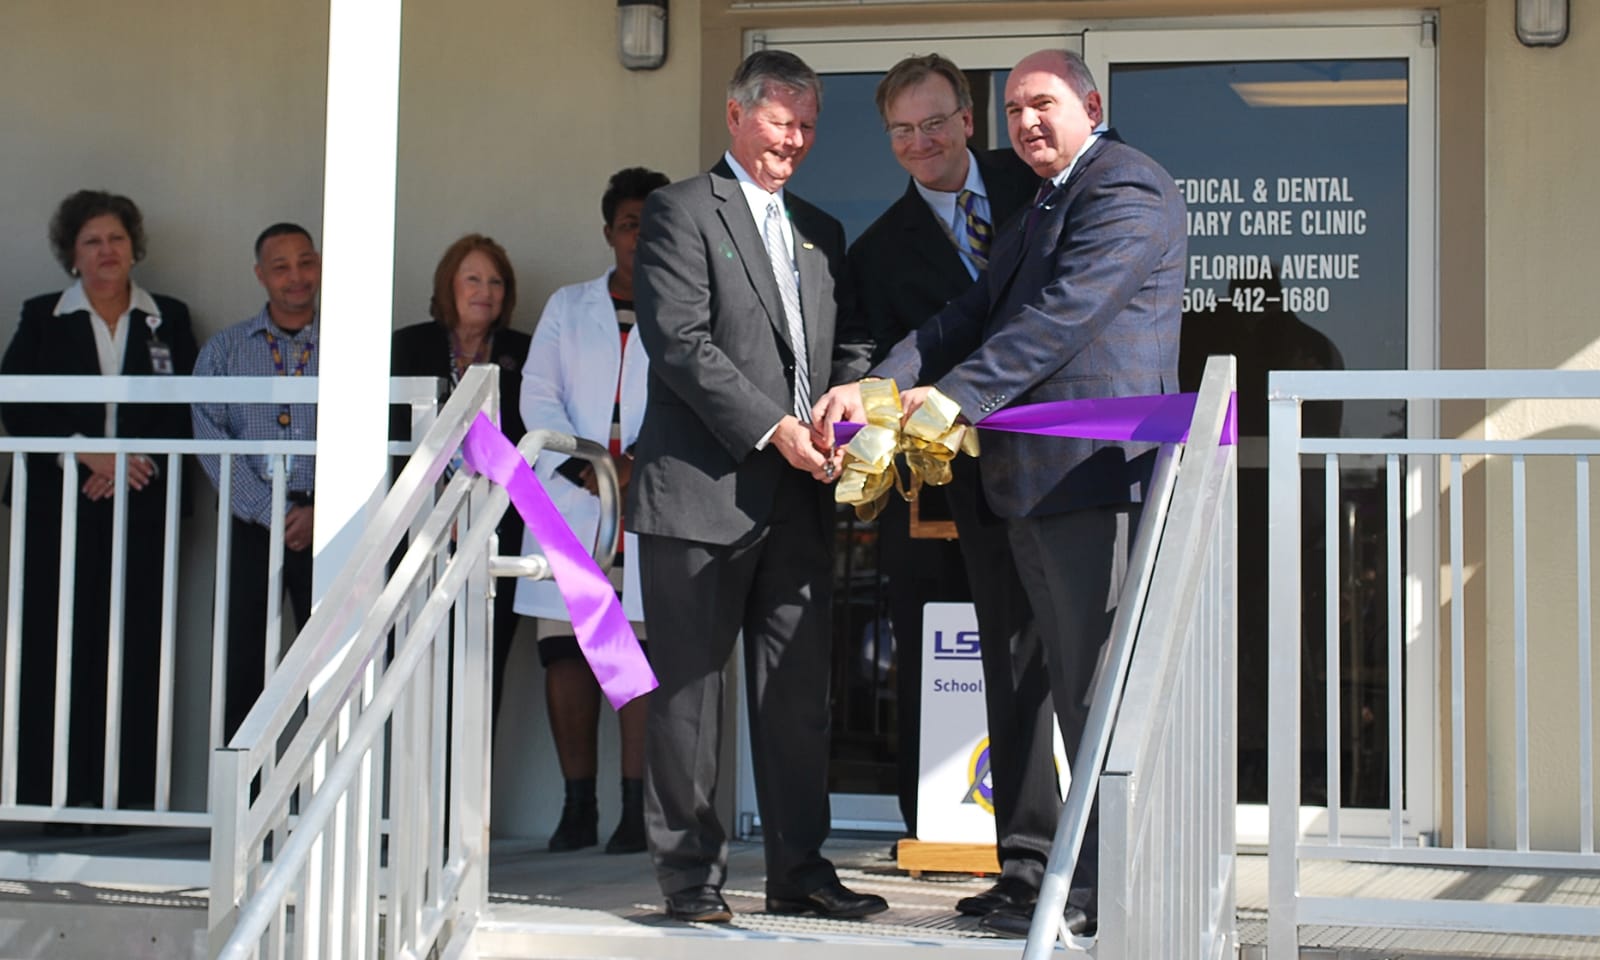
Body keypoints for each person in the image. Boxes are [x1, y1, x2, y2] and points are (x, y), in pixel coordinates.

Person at [814, 49, 1187, 938]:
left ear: (1090, 105)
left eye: (1044, 104)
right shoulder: (1050, 199)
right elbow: (968, 314)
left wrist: (949, 396)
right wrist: (876, 393)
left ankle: (1103, 888)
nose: (1028, 123)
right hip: (1022, 488)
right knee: (1031, 677)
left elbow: (1062, 316)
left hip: (1089, 477)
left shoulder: (1123, 186)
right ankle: (1045, 874)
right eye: (1018, 107)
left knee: (1091, 689)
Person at [628, 50, 881, 923]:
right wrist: (775, 428)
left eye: (808, 126)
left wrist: (843, 420)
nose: (796, 141)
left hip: (802, 496)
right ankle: (691, 882)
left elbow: (844, 349)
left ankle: (799, 872)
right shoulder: (678, 211)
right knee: (691, 699)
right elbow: (681, 344)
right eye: (781, 123)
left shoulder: (823, 229)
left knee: (797, 698)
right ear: (736, 118)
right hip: (701, 494)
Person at [846, 53, 1061, 928]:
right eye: (902, 130)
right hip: (961, 488)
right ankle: (1022, 862)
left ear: (969, 119)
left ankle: (1088, 852)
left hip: (1066, 469)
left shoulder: (1044, 187)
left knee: (1073, 667)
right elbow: (865, 359)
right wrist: (854, 420)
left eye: (935, 123)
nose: (921, 143)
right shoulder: (876, 250)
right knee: (1000, 669)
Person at [1, 189, 197, 813]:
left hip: (143, 506)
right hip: (60, 505)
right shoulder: (41, 316)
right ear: (72, 255)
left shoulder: (167, 315)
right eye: (92, 241)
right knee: (57, 646)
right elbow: (15, 402)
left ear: (133, 247)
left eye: (115, 239)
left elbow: (189, 407)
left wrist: (128, 463)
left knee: (135, 646)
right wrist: (85, 452)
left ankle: (128, 801)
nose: (106, 251)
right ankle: (53, 800)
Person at [514, 168, 667, 855]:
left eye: (653, 223)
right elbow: (537, 393)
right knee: (568, 656)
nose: (640, 235)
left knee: (631, 654)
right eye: (630, 223)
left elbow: (689, 397)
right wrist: (586, 467)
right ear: (610, 232)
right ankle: (580, 806)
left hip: (645, 500)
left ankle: (637, 813)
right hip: (569, 500)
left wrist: (638, 467)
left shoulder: (683, 306)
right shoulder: (568, 306)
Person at [391, 234, 530, 747]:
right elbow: (390, 439)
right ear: (448, 285)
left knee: (485, 659)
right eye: (473, 278)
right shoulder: (408, 347)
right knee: (416, 658)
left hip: (499, 528)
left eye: (496, 282)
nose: (486, 291)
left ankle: (468, 811)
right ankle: (418, 800)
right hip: (421, 530)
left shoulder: (523, 352)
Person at [192, 223, 322, 739]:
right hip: (251, 523)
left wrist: (323, 509)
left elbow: (372, 429)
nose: (296, 277)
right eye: (281, 266)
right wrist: (271, 511)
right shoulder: (226, 349)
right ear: (259, 275)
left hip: (327, 522)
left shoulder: (356, 345)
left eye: (305, 262)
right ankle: (243, 805)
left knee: (332, 657)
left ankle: (326, 797)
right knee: (245, 656)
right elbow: (208, 431)